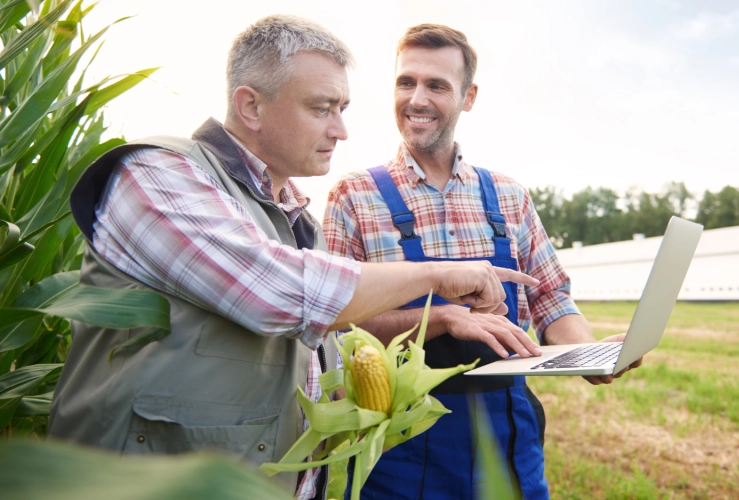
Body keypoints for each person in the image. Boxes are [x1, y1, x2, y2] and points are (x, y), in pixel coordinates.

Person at [48, 16, 537, 500]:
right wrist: (437, 276)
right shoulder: (157, 175)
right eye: (323, 108)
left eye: (342, 108)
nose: (342, 130)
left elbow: (329, 341)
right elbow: (280, 294)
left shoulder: (294, 217)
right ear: (251, 106)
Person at [324, 24, 642, 499]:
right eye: (405, 82)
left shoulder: (508, 196)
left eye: (436, 85)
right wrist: (443, 319)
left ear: (468, 96)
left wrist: (590, 356)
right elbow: (334, 324)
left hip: (509, 432)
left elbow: (551, 297)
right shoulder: (354, 196)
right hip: (400, 441)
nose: (416, 99)